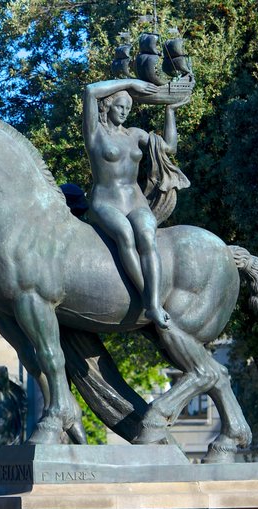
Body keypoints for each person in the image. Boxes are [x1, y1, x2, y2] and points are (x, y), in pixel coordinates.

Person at [82, 78, 189, 329]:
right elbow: (90, 90)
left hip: (135, 201)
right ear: (107, 106)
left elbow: (169, 148)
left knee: (146, 235)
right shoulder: (95, 133)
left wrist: (169, 111)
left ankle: (153, 302)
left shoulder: (135, 135)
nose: (125, 112)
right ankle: (149, 301)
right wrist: (131, 84)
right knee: (125, 235)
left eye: (129, 109)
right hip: (105, 202)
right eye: (120, 107)